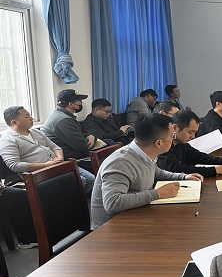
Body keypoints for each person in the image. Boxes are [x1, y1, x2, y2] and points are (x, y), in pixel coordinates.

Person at [0, 106, 95, 248]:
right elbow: (14, 165)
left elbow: (55, 147)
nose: (31, 118)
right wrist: (46, 165)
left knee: (88, 181)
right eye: (27, 116)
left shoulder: (35, 132)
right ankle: (64, 225)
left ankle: (73, 220)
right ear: (14, 122)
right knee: (78, 183)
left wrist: (59, 158)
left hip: (56, 166)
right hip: (38, 175)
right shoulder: (8, 139)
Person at [90, 113, 202, 229]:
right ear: (159, 143)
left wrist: (183, 177)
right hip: (112, 228)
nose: (173, 139)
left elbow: (157, 172)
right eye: (171, 136)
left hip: (135, 215)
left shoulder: (143, 153)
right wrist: (157, 193)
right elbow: (113, 203)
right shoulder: (120, 162)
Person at [158, 110, 222, 178]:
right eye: (190, 132)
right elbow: (178, 169)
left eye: (195, 133)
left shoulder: (181, 143)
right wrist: (216, 170)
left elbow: (198, 156)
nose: (193, 137)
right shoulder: (163, 145)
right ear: (175, 128)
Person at [40, 89, 97, 170]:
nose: (81, 103)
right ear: (71, 104)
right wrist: (91, 139)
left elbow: (79, 133)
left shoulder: (62, 115)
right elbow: (82, 146)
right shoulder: (64, 120)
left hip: (70, 153)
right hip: (68, 159)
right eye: (79, 101)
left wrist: (90, 135)